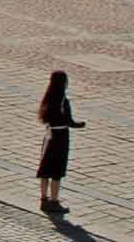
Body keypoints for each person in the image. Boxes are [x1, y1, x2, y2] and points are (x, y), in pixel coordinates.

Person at [36, 70, 85, 214]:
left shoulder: (48, 97)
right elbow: (69, 121)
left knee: (45, 168)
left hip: (49, 135)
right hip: (60, 136)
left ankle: (43, 199)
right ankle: (54, 201)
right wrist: (81, 124)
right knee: (57, 170)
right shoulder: (63, 100)